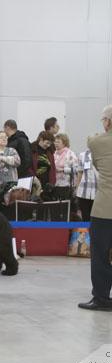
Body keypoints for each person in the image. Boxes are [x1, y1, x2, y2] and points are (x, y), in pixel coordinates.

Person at [78, 105, 112, 311]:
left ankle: (101, 297)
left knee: (100, 254)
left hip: (104, 208)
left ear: (107, 121)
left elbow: (99, 166)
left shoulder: (96, 142)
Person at [30, 131, 57, 199]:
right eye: (47, 143)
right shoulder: (31, 149)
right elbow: (28, 166)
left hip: (47, 184)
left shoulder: (50, 152)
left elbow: (53, 168)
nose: (48, 145)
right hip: (34, 184)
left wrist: (52, 183)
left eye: (50, 143)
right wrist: (33, 178)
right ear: (41, 139)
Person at [53, 133, 79, 202]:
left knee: (65, 207)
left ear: (64, 143)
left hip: (66, 185)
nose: (56, 144)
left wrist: (63, 170)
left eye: (58, 142)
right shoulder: (54, 153)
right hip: (55, 184)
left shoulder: (70, 154)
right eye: (55, 142)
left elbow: (76, 169)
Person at [75, 148, 98, 221]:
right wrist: (77, 188)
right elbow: (80, 172)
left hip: (98, 192)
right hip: (83, 191)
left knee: (95, 217)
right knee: (85, 216)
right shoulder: (82, 155)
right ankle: (86, 232)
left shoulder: (103, 155)